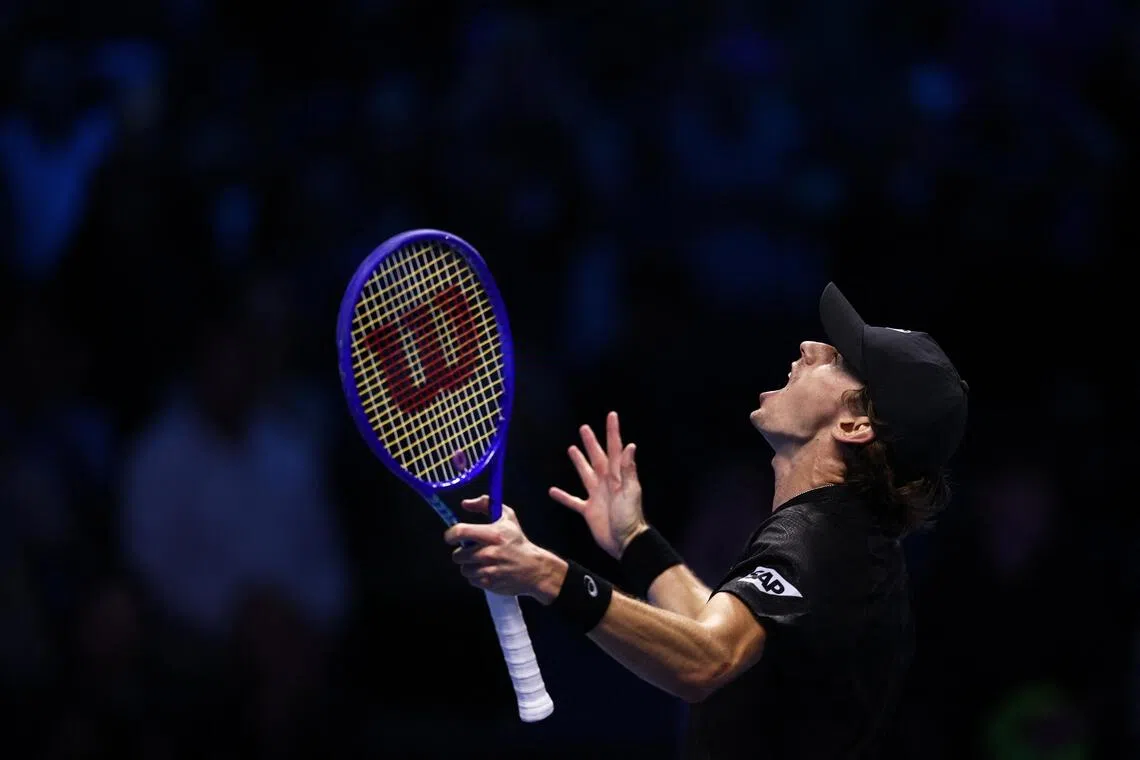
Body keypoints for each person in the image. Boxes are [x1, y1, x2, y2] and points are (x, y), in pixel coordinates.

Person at [444, 282, 969, 759]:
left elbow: (708, 661)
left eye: (838, 358)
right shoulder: (851, 538)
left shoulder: (820, 537)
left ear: (856, 425)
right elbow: (718, 634)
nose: (810, 347)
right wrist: (635, 540)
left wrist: (546, 575)